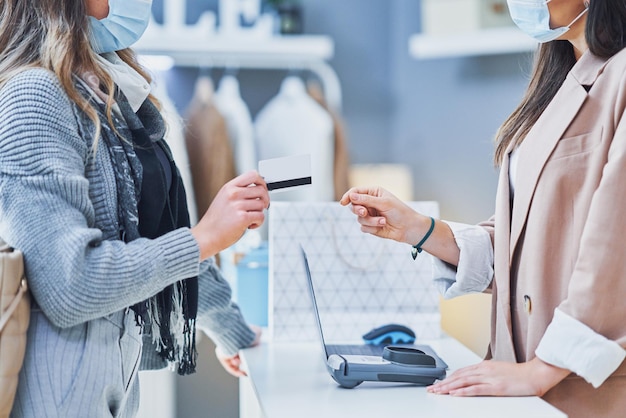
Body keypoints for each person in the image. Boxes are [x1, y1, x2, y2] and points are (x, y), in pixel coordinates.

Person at [340, 1, 626, 417]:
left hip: (586, 385)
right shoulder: (565, 80)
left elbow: (615, 247)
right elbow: (532, 241)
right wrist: (418, 229)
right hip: (529, 377)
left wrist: (545, 368)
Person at [0, 0, 270, 416]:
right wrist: (203, 238)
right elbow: (68, 284)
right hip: (60, 395)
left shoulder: (107, 89)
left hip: (112, 379)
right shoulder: (33, 98)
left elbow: (157, 230)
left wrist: (235, 333)